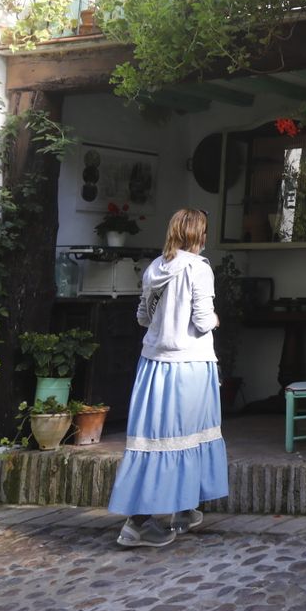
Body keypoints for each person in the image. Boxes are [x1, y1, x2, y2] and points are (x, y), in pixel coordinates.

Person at [108, 207, 229, 548]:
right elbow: (203, 320)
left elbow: (143, 317)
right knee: (186, 437)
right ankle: (138, 524)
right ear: (199, 235)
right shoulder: (198, 268)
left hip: (153, 366)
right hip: (189, 365)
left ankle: (182, 509)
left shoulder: (155, 267)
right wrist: (216, 319)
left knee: (158, 440)